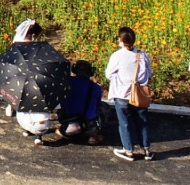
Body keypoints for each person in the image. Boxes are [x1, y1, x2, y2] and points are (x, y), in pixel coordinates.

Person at [105, 26, 152, 161]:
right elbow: (149, 73)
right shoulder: (142, 55)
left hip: (122, 93)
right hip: (140, 94)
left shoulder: (117, 55)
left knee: (124, 122)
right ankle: (147, 150)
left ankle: (129, 150)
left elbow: (109, 74)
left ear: (121, 40)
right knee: (142, 121)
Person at [59, 60, 105, 143]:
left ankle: (64, 131)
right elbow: (97, 104)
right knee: (104, 108)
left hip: (68, 121)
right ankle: (94, 135)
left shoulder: (67, 82)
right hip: (88, 124)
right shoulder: (96, 87)